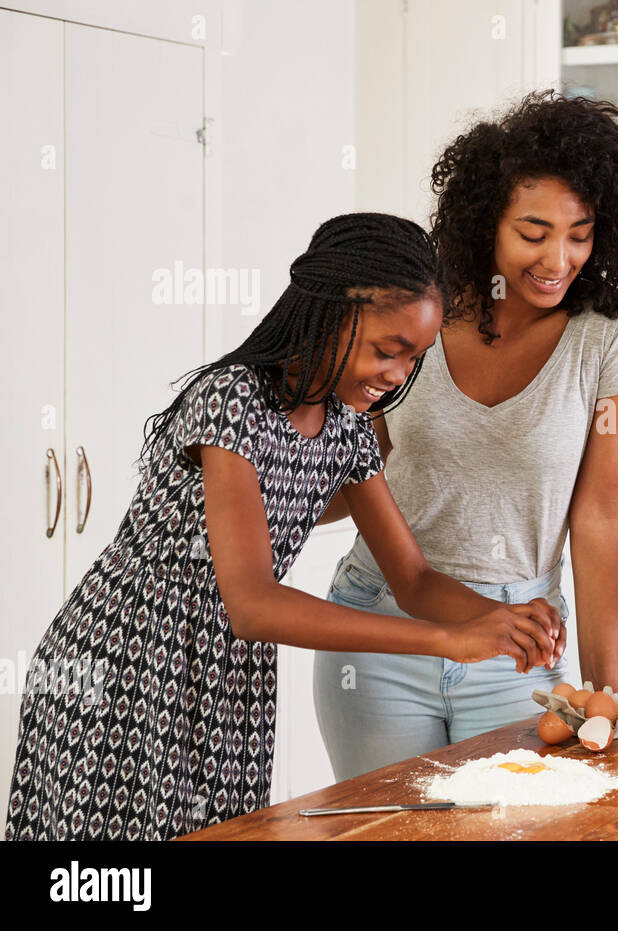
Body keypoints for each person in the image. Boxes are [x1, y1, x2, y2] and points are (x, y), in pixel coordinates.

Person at [5, 213, 560, 841]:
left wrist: (495, 619)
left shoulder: (345, 430)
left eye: (413, 360)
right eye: (387, 350)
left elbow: (413, 578)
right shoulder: (231, 400)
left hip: (227, 681)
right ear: (329, 312)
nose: (397, 376)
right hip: (127, 668)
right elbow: (252, 603)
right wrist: (446, 641)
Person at [313, 91, 618, 781]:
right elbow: (358, 464)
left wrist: (605, 682)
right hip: (381, 626)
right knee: (385, 833)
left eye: (581, 231)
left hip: (518, 639)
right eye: (533, 231)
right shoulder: (420, 314)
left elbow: (602, 510)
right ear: (487, 224)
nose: (559, 257)